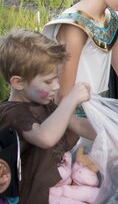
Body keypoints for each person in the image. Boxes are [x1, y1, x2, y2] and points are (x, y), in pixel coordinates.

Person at [0, 28, 98, 204]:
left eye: (57, 78)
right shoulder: (12, 113)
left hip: (59, 189)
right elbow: (45, 137)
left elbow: (77, 125)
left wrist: (107, 132)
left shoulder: (44, 104)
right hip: (36, 198)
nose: (56, 86)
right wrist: (71, 99)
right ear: (18, 82)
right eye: (48, 81)